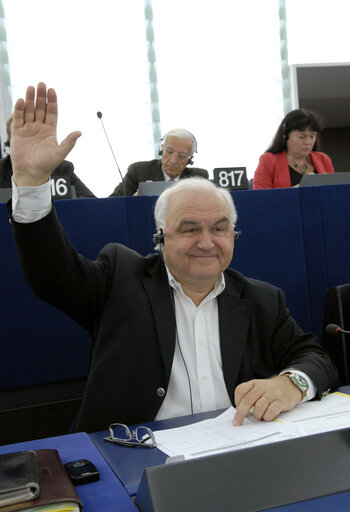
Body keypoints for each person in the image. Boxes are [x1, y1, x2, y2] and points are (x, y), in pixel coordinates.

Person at [9, 83, 338, 433]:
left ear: (234, 236)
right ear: (161, 238)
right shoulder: (120, 280)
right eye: (190, 229)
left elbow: (316, 359)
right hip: (133, 455)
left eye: (219, 229)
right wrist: (31, 182)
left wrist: (291, 384)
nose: (207, 242)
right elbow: (51, 274)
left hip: (238, 453)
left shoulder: (261, 299)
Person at [0, 114, 95, 198]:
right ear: (9, 143)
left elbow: (90, 205)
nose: (27, 142)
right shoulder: (1, 170)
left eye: (31, 135)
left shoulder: (61, 168)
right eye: (21, 136)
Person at [109, 128, 209, 196]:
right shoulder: (138, 172)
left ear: (190, 159)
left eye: (181, 156)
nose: (173, 161)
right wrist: (132, 202)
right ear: (161, 150)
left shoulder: (199, 178)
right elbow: (113, 204)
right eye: (169, 152)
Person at [253, 109, 334, 189]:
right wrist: (293, 193)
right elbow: (260, 198)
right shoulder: (268, 161)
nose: (308, 142)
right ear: (286, 136)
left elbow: (334, 192)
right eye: (302, 137)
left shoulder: (324, 159)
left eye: (312, 136)